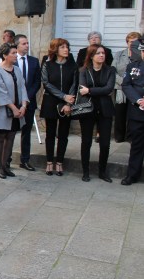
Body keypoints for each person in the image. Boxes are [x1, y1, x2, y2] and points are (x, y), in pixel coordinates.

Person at [0, 43, 29, 179]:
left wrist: (23, 106)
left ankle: (6, 165)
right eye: (13, 53)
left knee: (11, 137)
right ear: (5, 55)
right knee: (0, 137)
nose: (16, 55)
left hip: (18, 108)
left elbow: (22, 87)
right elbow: (1, 93)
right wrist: (14, 108)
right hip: (2, 110)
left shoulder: (17, 70)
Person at [40, 38, 78, 176]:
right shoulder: (47, 64)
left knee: (63, 134)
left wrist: (68, 102)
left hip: (67, 103)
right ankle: (49, 161)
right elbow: (46, 83)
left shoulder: (72, 65)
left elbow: (74, 84)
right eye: (62, 47)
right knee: (50, 134)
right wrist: (63, 96)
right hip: (51, 101)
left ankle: (60, 162)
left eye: (67, 47)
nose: (66, 49)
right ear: (55, 49)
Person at [78, 44, 116, 182]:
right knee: (86, 141)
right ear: (91, 56)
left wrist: (90, 90)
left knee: (105, 143)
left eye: (103, 53)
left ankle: (102, 172)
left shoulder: (110, 70)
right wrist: (95, 91)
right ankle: (85, 172)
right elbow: (82, 89)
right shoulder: (83, 70)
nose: (101, 55)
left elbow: (109, 88)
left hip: (105, 110)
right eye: (98, 53)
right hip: (88, 109)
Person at [13, 34, 41, 171]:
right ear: (17, 45)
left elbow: (37, 82)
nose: (27, 46)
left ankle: (25, 160)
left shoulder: (34, 61)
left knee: (26, 132)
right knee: (10, 133)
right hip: (13, 103)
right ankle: (6, 160)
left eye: (27, 43)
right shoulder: (11, 60)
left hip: (29, 103)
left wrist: (26, 98)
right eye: (24, 43)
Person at [120, 39, 144, 185]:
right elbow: (126, 85)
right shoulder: (132, 66)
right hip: (137, 112)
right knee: (136, 146)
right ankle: (132, 175)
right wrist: (138, 100)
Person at [112, 31, 142, 143]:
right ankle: (119, 136)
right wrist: (124, 82)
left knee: (132, 114)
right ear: (127, 42)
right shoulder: (119, 54)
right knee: (120, 113)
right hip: (121, 88)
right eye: (130, 42)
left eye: (135, 42)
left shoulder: (140, 55)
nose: (132, 44)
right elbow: (113, 71)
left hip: (135, 90)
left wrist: (131, 85)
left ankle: (130, 137)